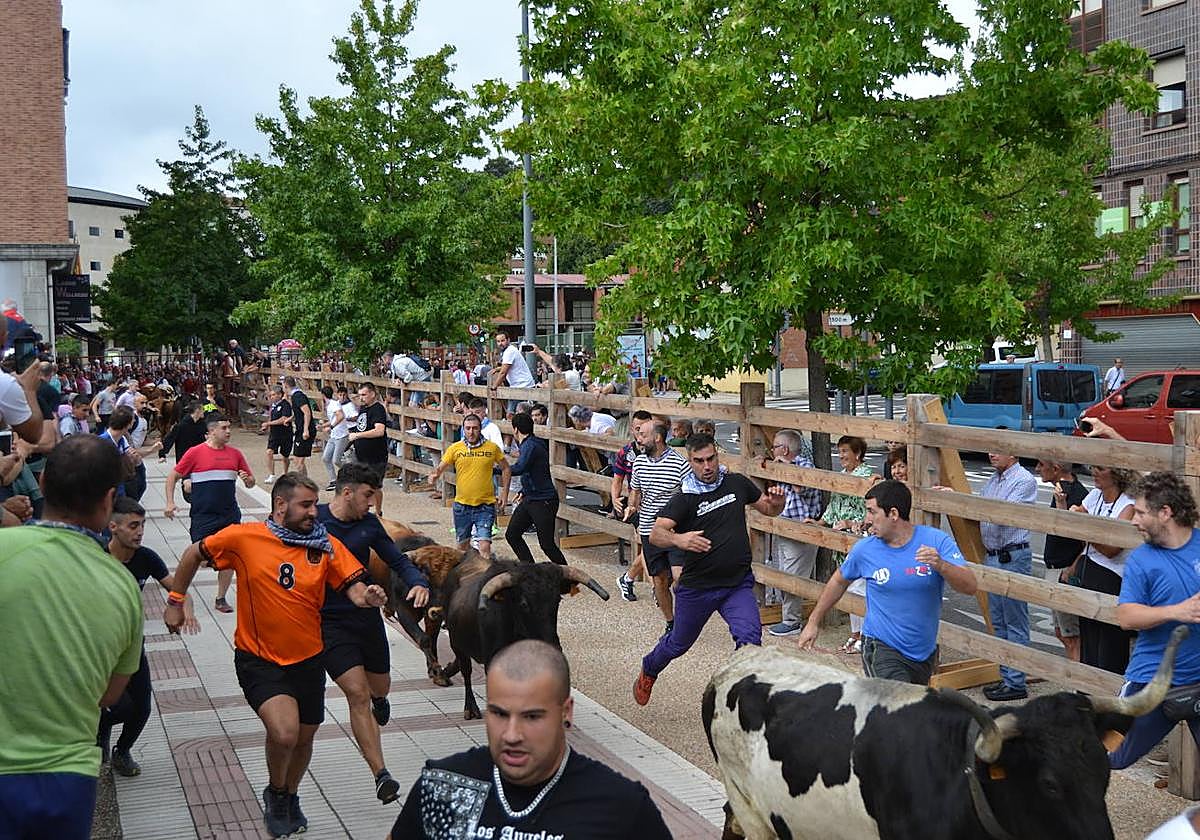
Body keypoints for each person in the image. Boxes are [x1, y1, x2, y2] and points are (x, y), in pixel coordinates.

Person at [162, 473, 388, 838]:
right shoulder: (244, 537)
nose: (315, 512)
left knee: (304, 738)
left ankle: (289, 794)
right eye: (306, 505)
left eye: (315, 504)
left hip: (309, 659)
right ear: (280, 505)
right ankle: (276, 792)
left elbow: (353, 588)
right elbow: (192, 553)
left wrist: (368, 596)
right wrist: (176, 601)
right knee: (284, 733)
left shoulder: (324, 544)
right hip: (260, 659)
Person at [0, 435, 142, 839]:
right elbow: (110, 695)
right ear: (109, 500)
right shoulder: (122, 584)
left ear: (41, 484)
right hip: (68, 774)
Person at [390, 640, 671, 840]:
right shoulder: (441, 785)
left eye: (532, 717)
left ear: (566, 713)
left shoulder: (619, 806)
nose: (512, 735)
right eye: (499, 714)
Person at [634, 433, 785, 705]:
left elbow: (768, 509)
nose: (707, 466)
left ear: (717, 455)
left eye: (711, 459)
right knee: (678, 643)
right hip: (698, 588)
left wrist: (777, 504)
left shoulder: (736, 483)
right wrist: (680, 539)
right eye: (699, 461)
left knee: (750, 637)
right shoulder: (685, 498)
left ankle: (743, 697)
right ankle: (649, 669)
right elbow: (656, 534)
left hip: (736, 584)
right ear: (690, 462)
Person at [317, 464, 429, 803]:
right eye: (368, 495)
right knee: (357, 694)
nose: (372, 502)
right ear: (347, 492)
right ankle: (381, 774)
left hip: (366, 619)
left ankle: (381, 698)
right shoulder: (315, 519)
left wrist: (419, 581)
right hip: (328, 622)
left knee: (378, 687)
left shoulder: (369, 526)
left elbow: (397, 560)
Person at [799, 481, 977, 684]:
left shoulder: (936, 541)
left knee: (907, 708)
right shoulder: (865, 549)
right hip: (882, 648)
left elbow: (970, 587)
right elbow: (838, 582)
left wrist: (942, 566)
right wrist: (813, 622)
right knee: (897, 708)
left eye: (872, 512)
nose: (867, 519)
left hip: (923, 652)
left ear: (893, 514)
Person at [97, 497, 200, 777]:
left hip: (131, 646)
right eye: (133, 526)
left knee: (141, 708)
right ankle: (101, 728)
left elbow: (178, 589)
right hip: (97, 649)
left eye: (141, 525)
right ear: (113, 526)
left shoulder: (146, 557)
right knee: (116, 705)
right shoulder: (95, 557)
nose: (140, 531)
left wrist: (181, 609)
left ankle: (122, 750)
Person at [1108, 472, 1200, 770]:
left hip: (1198, 678)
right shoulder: (1141, 560)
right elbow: (1126, 616)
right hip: (1152, 682)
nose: (1134, 520)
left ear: (1165, 512)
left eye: (1140, 513)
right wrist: (1176, 611)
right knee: (1113, 757)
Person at [164, 415, 256, 614]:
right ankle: (179, 594)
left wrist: (248, 479)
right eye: (224, 428)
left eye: (229, 427)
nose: (229, 431)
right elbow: (173, 475)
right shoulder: (195, 453)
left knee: (229, 557)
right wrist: (170, 502)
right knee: (203, 558)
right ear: (212, 430)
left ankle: (220, 598)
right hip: (203, 515)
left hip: (229, 514)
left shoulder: (236, 454)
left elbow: (251, 482)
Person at [979, 451, 1039, 701]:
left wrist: (971, 504)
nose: (991, 454)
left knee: (1015, 619)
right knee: (999, 620)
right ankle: (1006, 676)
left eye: (998, 448)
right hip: (993, 554)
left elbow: (1003, 513)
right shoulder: (994, 479)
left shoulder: (1024, 480)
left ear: (1013, 452)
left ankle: (1016, 682)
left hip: (1013, 555)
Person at [620, 418, 691, 627]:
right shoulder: (639, 462)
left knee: (680, 577)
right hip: (649, 532)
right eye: (638, 434)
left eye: (643, 435)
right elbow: (636, 490)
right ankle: (671, 623)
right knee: (659, 579)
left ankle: (689, 616)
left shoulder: (679, 464)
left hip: (673, 531)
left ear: (657, 438)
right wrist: (632, 506)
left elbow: (690, 495)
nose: (638, 439)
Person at [1069, 465, 1137, 675]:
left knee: (1109, 647)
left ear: (1117, 473)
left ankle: (1109, 700)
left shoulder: (1128, 504)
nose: (1094, 473)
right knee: (1088, 643)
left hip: (1111, 579)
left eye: (1100, 468)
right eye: (1093, 468)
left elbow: (1112, 549)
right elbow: (1075, 527)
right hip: (1088, 573)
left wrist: (1084, 525)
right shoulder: (1095, 495)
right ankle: (1087, 697)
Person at [811, 435, 875, 655]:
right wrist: (820, 522)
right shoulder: (842, 476)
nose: (842, 456)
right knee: (850, 586)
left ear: (857, 453)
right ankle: (856, 633)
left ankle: (862, 635)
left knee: (858, 587)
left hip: (859, 536)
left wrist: (854, 523)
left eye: (846, 451)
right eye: (839, 452)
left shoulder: (867, 476)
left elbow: (870, 508)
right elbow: (834, 505)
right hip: (841, 537)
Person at [765, 429, 823, 637]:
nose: (773, 451)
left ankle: (792, 620)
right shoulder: (780, 467)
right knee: (783, 572)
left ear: (785, 449)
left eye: (775, 447)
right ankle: (787, 617)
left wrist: (786, 467)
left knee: (793, 575)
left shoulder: (805, 466)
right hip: (783, 526)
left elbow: (801, 487)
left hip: (800, 528)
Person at [430, 414, 511, 559]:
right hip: (462, 505)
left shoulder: (492, 448)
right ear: (463, 429)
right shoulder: (456, 448)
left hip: (485, 505)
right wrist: (434, 475)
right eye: (467, 428)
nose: (471, 432)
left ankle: (484, 576)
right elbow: (441, 466)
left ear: (480, 429)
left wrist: (504, 493)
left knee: (484, 545)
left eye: (475, 428)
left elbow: (506, 468)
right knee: (462, 546)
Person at [1035, 457, 1089, 662]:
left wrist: (1072, 568)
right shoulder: (1062, 489)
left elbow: (1084, 540)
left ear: (1055, 468)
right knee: (1062, 632)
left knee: (1072, 635)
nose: (1038, 469)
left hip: (1065, 570)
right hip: (1056, 568)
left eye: (1041, 464)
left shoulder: (1076, 494)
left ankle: (1078, 688)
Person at [505, 411, 568, 565]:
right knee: (512, 534)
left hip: (543, 501)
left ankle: (568, 578)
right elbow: (534, 471)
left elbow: (520, 468)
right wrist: (523, 491)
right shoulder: (531, 443)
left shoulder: (530, 445)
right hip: (531, 498)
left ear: (515, 430)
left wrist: (498, 468)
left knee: (547, 545)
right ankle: (531, 570)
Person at [349, 382, 390, 516]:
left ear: (372, 394)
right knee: (358, 484)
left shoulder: (378, 409)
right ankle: (361, 510)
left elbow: (379, 431)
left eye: (364, 395)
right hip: (360, 454)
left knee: (375, 486)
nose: (361, 398)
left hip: (376, 456)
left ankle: (378, 512)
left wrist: (357, 435)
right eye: (360, 395)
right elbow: (362, 426)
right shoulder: (363, 408)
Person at [490, 329, 536, 414]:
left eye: (503, 340)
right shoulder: (511, 350)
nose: (500, 343)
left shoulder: (509, 351)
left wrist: (494, 387)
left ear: (508, 340)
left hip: (521, 386)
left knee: (511, 414)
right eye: (498, 341)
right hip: (523, 385)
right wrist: (497, 369)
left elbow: (503, 372)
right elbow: (509, 366)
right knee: (520, 414)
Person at [320, 384, 357, 491]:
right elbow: (334, 418)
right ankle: (333, 480)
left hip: (341, 435)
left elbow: (341, 416)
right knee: (326, 458)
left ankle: (352, 473)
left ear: (323, 395)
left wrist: (331, 426)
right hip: (334, 435)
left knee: (336, 460)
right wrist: (323, 426)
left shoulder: (333, 405)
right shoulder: (331, 405)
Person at [261, 384, 293, 483]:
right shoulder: (273, 406)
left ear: (279, 395)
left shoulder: (285, 405)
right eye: (271, 395)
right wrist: (266, 426)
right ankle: (272, 474)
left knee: (285, 456)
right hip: (274, 433)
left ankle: (285, 474)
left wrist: (268, 423)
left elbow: (283, 419)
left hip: (285, 433)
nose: (271, 397)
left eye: (273, 395)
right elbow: (272, 417)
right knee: (269, 452)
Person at [158, 400, 207, 464]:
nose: (204, 411)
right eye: (203, 409)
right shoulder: (181, 426)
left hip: (199, 458)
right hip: (184, 459)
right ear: (197, 410)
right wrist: (162, 454)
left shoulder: (202, 424)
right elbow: (169, 439)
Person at [285, 375, 315, 476]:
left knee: (299, 461)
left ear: (286, 385)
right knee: (296, 459)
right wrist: (291, 418)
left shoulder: (298, 396)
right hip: (300, 429)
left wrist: (306, 429)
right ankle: (304, 481)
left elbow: (307, 412)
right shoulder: (294, 396)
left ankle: (304, 483)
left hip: (304, 430)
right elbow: (299, 411)